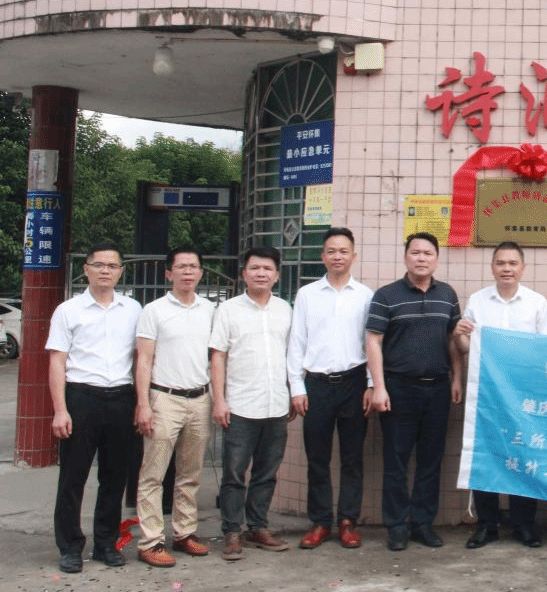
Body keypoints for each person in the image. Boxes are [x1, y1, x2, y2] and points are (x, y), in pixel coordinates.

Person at [455, 241, 547, 549]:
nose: (507, 269)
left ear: (522, 268)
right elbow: (466, 348)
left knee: (523, 456)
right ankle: (487, 525)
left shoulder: (536, 303)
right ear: (492, 267)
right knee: (486, 456)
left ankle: (523, 524)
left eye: (513, 263)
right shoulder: (477, 301)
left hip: (524, 396)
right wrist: (460, 336)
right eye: (501, 263)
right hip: (486, 395)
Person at [365, 231, 464, 552]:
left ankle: (422, 523)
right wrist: (379, 387)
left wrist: (456, 378)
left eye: (428, 253)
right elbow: (373, 342)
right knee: (396, 459)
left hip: (437, 389)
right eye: (416, 252)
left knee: (431, 460)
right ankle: (396, 525)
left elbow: (453, 339)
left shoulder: (447, 294)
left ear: (437, 259)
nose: (422, 258)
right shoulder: (386, 295)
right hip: (398, 389)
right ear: (406, 257)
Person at [47, 243, 142, 573]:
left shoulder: (133, 309)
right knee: (73, 477)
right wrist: (60, 410)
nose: (105, 270)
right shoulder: (68, 311)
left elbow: (141, 358)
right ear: (85, 269)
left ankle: (106, 543)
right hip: (82, 398)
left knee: (115, 476)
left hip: (121, 398)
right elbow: (57, 361)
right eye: (99, 264)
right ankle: (70, 547)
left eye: (112, 266)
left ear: (121, 272)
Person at [288, 228, 374, 550]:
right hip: (317, 385)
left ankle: (348, 521)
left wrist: (371, 384)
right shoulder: (307, 294)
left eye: (343, 251)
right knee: (317, 457)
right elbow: (297, 342)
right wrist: (297, 387)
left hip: (354, 383)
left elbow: (372, 344)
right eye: (331, 251)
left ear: (354, 256)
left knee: (352, 458)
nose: (338, 256)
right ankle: (321, 521)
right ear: (322, 256)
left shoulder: (365, 296)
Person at [133, 246, 216, 568]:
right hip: (163, 398)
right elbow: (144, 359)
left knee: (190, 473)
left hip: (200, 399)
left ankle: (185, 533)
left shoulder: (210, 310)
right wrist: (143, 404)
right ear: (169, 273)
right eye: (181, 266)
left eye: (193, 266)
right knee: (153, 474)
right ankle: (151, 541)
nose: (188, 272)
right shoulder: (154, 310)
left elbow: (216, 357)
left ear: (201, 272)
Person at [210, 246, 293, 561]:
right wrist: (219, 399)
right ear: (244, 274)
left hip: (276, 405)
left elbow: (292, 355)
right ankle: (232, 532)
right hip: (240, 406)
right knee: (234, 474)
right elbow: (218, 355)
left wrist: (293, 393)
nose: (261, 273)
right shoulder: (228, 310)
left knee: (267, 473)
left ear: (277, 275)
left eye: (267, 269)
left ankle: (258, 527)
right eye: (255, 268)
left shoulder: (285, 309)